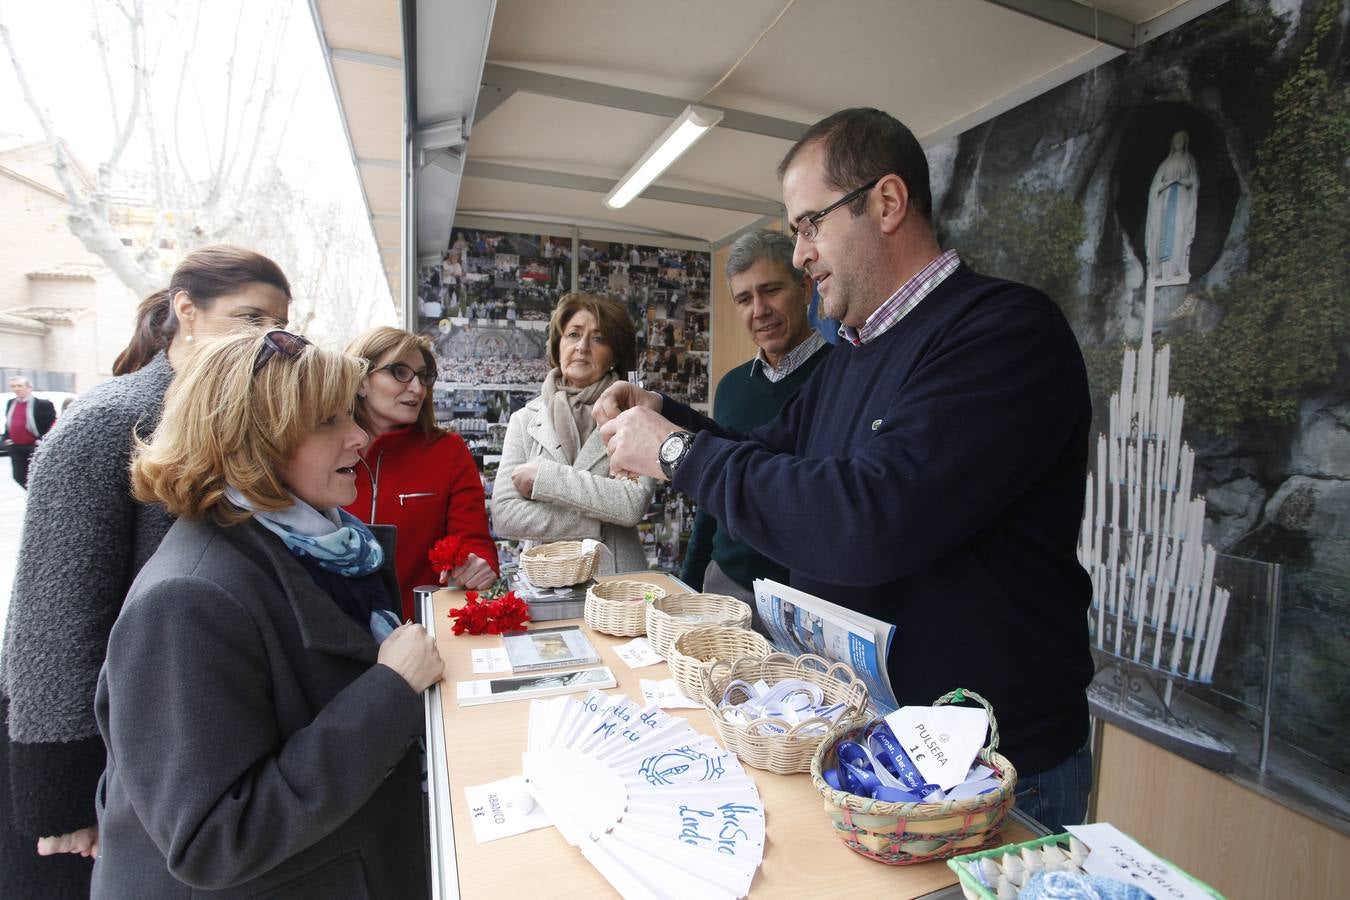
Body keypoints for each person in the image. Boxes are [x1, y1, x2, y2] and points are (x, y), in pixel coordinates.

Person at [597, 108, 1094, 832]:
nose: (799, 255)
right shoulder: (854, 356)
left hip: (990, 775)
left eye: (809, 225)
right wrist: (667, 415)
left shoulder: (1001, 333)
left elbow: (868, 521)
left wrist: (673, 451)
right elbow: (767, 450)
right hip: (876, 748)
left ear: (886, 203)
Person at [92, 329, 438, 898]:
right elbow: (213, 839)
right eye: (328, 422)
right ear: (253, 441)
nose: (359, 437)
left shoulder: (321, 547)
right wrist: (391, 689)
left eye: (349, 414)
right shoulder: (187, 601)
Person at [0, 246, 291, 899]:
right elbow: (53, 624)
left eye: (276, 323)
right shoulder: (105, 424)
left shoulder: (233, 425)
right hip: (94, 760)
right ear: (186, 310)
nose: (265, 339)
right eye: (249, 317)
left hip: (172, 736)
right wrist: (63, 795)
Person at [679, 229, 832, 616]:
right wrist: (689, 583)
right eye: (744, 299)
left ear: (805, 288)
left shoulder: (842, 373)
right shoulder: (730, 387)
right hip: (725, 587)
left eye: (771, 290)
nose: (759, 310)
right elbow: (710, 498)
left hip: (810, 602)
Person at [492, 292, 655, 574]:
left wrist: (545, 477)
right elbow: (505, 514)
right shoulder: (524, 420)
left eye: (598, 338)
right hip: (545, 581)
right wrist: (594, 522)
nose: (582, 347)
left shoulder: (637, 416)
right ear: (558, 346)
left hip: (615, 581)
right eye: (573, 335)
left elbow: (630, 504)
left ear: (614, 356)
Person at [344, 326, 499, 618]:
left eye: (424, 376)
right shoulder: (322, 449)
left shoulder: (448, 451)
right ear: (360, 380)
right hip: (336, 637)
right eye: (400, 372)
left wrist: (478, 563)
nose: (417, 388)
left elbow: (474, 538)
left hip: (423, 631)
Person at [3, 376, 57, 488]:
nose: (16, 389)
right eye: (13, 386)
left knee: (37, 475)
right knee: (18, 476)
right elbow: (9, 422)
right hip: (16, 446)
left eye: (19, 386)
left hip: (33, 446)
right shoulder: (11, 403)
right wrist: (6, 438)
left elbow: (51, 424)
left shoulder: (42, 404)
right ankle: (33, 497)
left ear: (28, 387)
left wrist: (41, 440)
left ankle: (39, 499)